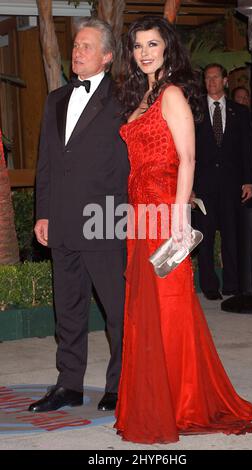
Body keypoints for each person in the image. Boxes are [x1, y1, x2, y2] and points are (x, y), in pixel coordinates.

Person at [114, 16, 252, 444]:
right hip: (141, 214)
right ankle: (158, 395)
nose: (144, 52)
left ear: (167, 48)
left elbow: (188, 159)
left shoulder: (172, 93)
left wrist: (179, 217)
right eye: (138, 45)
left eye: (152, 44)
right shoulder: (141, 96)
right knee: (147, 310)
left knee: (171, 306)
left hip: (164, 212)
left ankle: (183, 401)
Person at [28, 18, 129, 413]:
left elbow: (131, 164)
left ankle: (120, 384)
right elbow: (47, 164)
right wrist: (43, 214)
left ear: (106, 56)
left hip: (105, 220)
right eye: (75, 46)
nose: (77, 52)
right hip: (63, 222)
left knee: (116, 310)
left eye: (86, 46)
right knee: (67, 310)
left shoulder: (123, 98)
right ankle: (68, 383)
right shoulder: (55, 99)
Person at [193, 65, 252, 300]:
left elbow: (246, 150)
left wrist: (248, 181)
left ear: (225, 81)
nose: (211, 82)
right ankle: (209, 286)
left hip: (232, 185)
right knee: (205, 237)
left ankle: (232, 284)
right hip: (204, 186)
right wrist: (190, 187)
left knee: (232, 235)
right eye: (207, 78)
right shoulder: (195, 110)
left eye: (216, 77)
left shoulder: (239, 111)